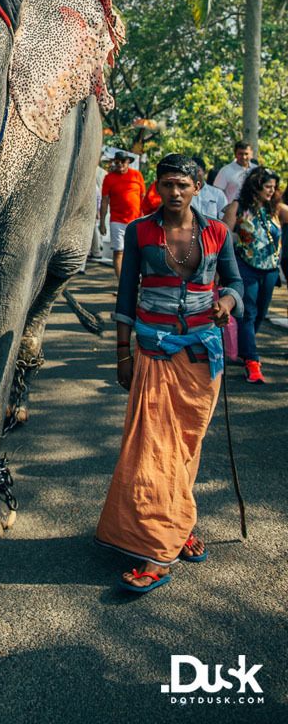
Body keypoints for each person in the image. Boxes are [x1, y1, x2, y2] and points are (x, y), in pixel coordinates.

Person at [96, 154, 243, 594]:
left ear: (198, 186)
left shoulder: (218, 233)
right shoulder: (142, 232)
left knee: (185, 449)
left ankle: (180, 523)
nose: (174, 192)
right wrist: (123, 355)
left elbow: (233, 282)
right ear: (156, 187)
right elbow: (126, 297)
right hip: (154, 352)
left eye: (182, 184)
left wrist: (227, 304)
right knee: (153, 450)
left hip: (202, 357)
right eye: (166, 184)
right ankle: (158, 550)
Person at [223, 166, 288, 384]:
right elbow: (223, 238)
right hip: (245, 268)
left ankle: (245, 347)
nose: (271, 190)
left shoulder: (276, 209)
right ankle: (252, 362)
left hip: (270, 270)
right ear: (255, 186)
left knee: (260, 312)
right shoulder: (237, 207)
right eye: (267, 186)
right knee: (248, 312)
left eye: (273, 187)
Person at [99, 151, 146, 280]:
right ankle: (122, 284)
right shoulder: (109, 178)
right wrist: (102, 222)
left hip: (135, 220)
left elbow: (143, 197)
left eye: (123, 162)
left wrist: (145, 218)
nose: (120, 164)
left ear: (128, 162)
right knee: (118, 251)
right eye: (117, 161)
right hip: (117, 220)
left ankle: (135, 280)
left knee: (135, 252)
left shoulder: (137, 175)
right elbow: (104, 200)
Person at [213, 140, 256, 204]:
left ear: (251, 154)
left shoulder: (256, 170)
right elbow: (216, 194)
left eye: (246, 154)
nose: (243, 157)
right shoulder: (225, 171)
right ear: (235, 154)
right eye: (240, 154)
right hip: (231, 211)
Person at [192, 154, 227, 221]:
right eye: (192, 171)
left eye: (197, 171)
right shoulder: (184, 193)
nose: (194, 174)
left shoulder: (217, 194)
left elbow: (224, 217)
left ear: (204, 172)